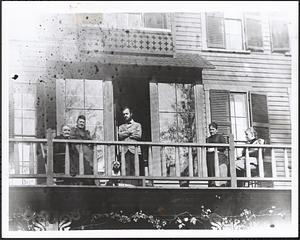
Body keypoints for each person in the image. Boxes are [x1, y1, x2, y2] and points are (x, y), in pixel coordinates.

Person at [118, 107, 142, 186]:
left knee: (135, 169)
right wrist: (130, 132)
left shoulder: (137, 125)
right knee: (125, 169)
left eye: (127, 114)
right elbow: (120, 135)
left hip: (134, 150)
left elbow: (138, 135)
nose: (125, 115)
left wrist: (126, 133)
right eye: (124, 114)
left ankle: (135, 187)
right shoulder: (121, 126)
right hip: (124, 151)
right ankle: (126, 186)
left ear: (131, 114)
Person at [70, 115, 94, 185]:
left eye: (83, 122)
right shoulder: (74, 130)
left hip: (86, 153)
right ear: (77, 122)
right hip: (77, 152)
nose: (81, 123)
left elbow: (90, 141)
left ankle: (89, 176)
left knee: (89, 157)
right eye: (80, 122)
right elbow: (72, 138)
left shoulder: (87, 132)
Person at [206, 122, 228, 187]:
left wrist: (215, 149)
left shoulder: (220, 137)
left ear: (216, 130)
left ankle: (219, 183)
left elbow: (224, 146)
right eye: (210, 129)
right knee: (210, 162)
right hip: (210, 155)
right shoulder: (208, 139)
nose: (211, 131)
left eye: (213, 129)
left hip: (219, 155)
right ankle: (212, 182)